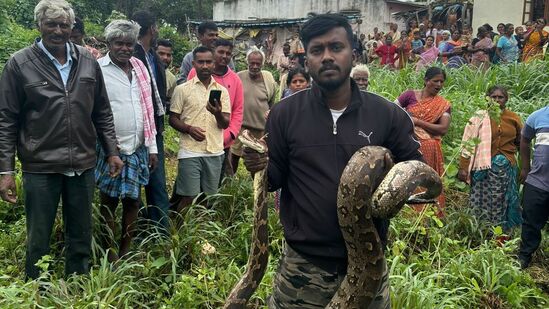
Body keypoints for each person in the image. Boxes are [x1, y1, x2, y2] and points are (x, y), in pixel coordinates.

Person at [243, 13, 423, 309]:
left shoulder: (387, 114)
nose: (327, 57)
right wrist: (258, 165)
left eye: (336, 47)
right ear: (307, 59)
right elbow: (274, 178)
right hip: (303, 267)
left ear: (353, 54)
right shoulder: (284, 114)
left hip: (369, 263)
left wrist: (397, 191)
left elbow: (414, 169)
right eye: (317, 50)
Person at [0, 0, 123, 279]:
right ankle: (36, 288)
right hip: (40, 165)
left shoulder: (88, 60)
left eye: (64, 25)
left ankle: (77, 285)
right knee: (38, 237)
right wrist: (5, 170)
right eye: (51, 24)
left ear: (72, 27)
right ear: (39, 25)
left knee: (81, 233)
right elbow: (6, 119)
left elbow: (101, 110)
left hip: (82, 162)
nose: (58, 30)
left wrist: (112, 151)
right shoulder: (19, 64)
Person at [96, 20, 158, 261]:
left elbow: (148, 107)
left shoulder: (140, 67)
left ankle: (125, 250)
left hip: (137, 147)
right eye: (119, 43)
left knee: (133, 201)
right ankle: (109, 251)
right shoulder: (98, 68)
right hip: (110, 148)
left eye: (129, 44)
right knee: (108, 202)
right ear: (109, 43)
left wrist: (152, 146)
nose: (124, 48)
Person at [169, 46, 230, 213]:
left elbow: (225, 124)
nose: (205, 66)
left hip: (214, 151)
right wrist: (188, 129)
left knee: (207, 200)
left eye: (208, 62)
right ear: (193, 63)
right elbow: (172, 119)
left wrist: (217, 113)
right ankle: (179, 235)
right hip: (190, 151)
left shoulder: (222, 91)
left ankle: (201, 236)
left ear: (214, 63)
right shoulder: (182, 90)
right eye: (201, 62)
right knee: (188, 197)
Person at [458, 86, 522, 233]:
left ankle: (502, 233)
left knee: (504, 201)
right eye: (494, 97)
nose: (497, 100)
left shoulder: (513, 118)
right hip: (483, 169)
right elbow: (466, 143)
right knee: (482, 201)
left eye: (501, 97)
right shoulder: (479, 118)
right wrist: (463, 167)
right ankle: (481, 231)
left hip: (506, 169)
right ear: (487, 98)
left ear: (506, 99)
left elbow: (520, 141)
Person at [131, 10, 170, 232]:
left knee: (157, 183)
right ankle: (139, 230)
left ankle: (160, 232)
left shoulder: (152, 56)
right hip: (138, 130)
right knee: (136, 183)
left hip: (155, 128)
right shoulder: (132, 56)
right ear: (152, 29)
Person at [396, 67, 450, 216]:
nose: (439, 84)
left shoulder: (442, 104)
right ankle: (408, 214)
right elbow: (393, 113)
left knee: (427, 182)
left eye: (441, 82)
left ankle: (428, 216)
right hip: (407, 147)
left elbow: (443, 129)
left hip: (429, 151)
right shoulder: (409, 95)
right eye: (435, 81)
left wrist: (417, 121)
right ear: (426, 81)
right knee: (409, 179)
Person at [188, 39, 244, 179]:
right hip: (196, 138)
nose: (224, 56)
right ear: (213, 52)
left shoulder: (235, 80)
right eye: (221, 52)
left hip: (221, 141)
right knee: (190, 183)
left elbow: (238, 111)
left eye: (228, 53)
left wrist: (229, 135)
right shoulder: (195, 73)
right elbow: (188, 104)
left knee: (217, 183)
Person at [230, 48, 277, 175]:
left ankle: (258, 188)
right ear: (247, 62)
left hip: (260, 129)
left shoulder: (268, 78)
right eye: (252, 63)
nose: (255, 66)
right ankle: (229, 184)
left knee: (257, 162)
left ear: (262, 63)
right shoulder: (239, 76)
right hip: (240, 127)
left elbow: (272, 102)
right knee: (234, 156)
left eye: (258, 63)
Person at [518, 106, 549, 269]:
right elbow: (525, 139)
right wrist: (525, 167)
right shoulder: (537, 117)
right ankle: (524, 257)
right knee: (530, 222)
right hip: (538, 181)